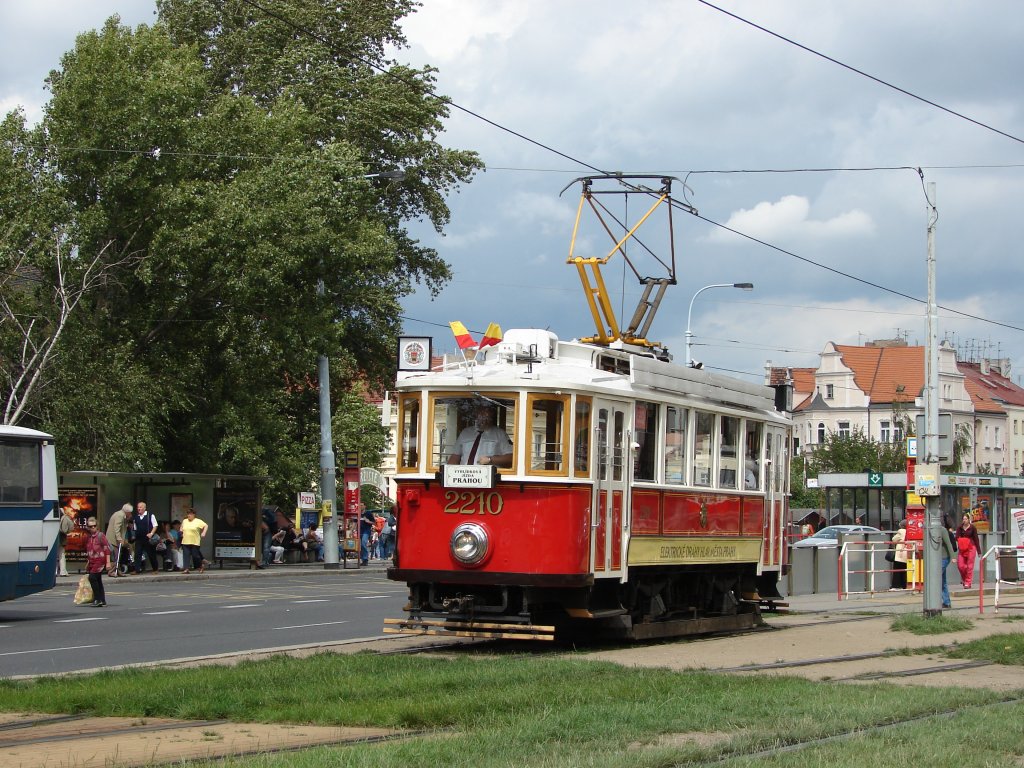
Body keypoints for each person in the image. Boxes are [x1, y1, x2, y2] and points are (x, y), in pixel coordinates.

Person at [447, 404, 513, 467]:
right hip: (465, 475)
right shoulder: (465, 433)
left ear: (491, 415)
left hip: (488, 476)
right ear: (475, 414)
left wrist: (490, 460)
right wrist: (447, 473)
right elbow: (455, 456)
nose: (484, 416)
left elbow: (511, 458)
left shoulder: (500, 434)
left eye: (487, 412)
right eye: (481, 412)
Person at [83, 516, 112, 607]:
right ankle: (102, 600)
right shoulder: (89, 537)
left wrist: (108, 562)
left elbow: (106, 549)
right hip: (92, 560)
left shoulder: (101, 536)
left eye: (94, 526)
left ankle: (97, 599)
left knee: (92, 577)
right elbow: (89, 551)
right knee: (98, 579)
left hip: (100, 560)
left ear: (97, 526)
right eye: (90, 526)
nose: (92, 528)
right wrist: (88, 562)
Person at [955, 512, 982, 589]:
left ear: (969, 519)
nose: (964, 520)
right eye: (963, 519)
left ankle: (968, 582)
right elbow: (956, 537)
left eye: (966, 519)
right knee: (961, 566)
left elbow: (976, 539)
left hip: (971, 547)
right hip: (962, 548)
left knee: (970, 566)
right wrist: (962, 540)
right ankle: (964, 579)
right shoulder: (959, 528)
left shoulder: (973, 528)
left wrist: (979, 551)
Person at [106, 503, 132, 577]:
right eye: (130, 512)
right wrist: (119, 538)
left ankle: (118, 571)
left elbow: (123, 527)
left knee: (118, 555)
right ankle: (111, 572)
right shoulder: (119, 515)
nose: (130, 514)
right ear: (127, 511)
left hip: (114, 539)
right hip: (113, 539)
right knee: (116, 556)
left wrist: (127, 519)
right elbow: (116, 528)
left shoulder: (121, 515)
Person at [133, 501, 159, 574]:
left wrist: (151, 533)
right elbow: (135, 527)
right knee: (137, 553)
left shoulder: (150, 515)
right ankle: (137, 569)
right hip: (139, 538)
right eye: (138, 507)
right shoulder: (136, 517)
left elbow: (155, 525)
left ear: (144, 508)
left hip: (148, 538)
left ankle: (155, 569)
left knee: (151, 554)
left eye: (140, 507)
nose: (139, 508)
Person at [180, 507, 208, 574]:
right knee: (186, 555)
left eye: (190, 514)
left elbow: (206, 525)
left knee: (195, 556)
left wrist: (203, 532)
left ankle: (200, 566)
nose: (189, 515)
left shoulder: (198, 521)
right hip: (185, 541)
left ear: (194, 515)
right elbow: (181, 527)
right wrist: (181, 532)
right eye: (188, 514)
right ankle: (186, 569)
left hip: (195, 542)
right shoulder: (185, 521)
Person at [940, 518, 957, 609]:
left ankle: (935, 601)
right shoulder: (929, 529)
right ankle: (946, 602)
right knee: (942, 581)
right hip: (937, 559)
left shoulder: (942, 530)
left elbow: (949, 544)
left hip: (944, 558)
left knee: (936, 579)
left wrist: (953, 557)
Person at [57, 504, 76, 577]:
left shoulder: (59, 518)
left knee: (58, 556)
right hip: (61, 540)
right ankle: (63, 571)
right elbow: (65, 530)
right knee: (61, 555)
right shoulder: (65, 518)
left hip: (57, 540)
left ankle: (59, 571)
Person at [890, 520, 909, 590]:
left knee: (897, 570)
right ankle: (904, 585)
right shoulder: (910, 531)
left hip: (900, 554)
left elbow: (894, 539)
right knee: (905, 570)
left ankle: (896, 585)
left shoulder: (901, 531)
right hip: (908, 553)